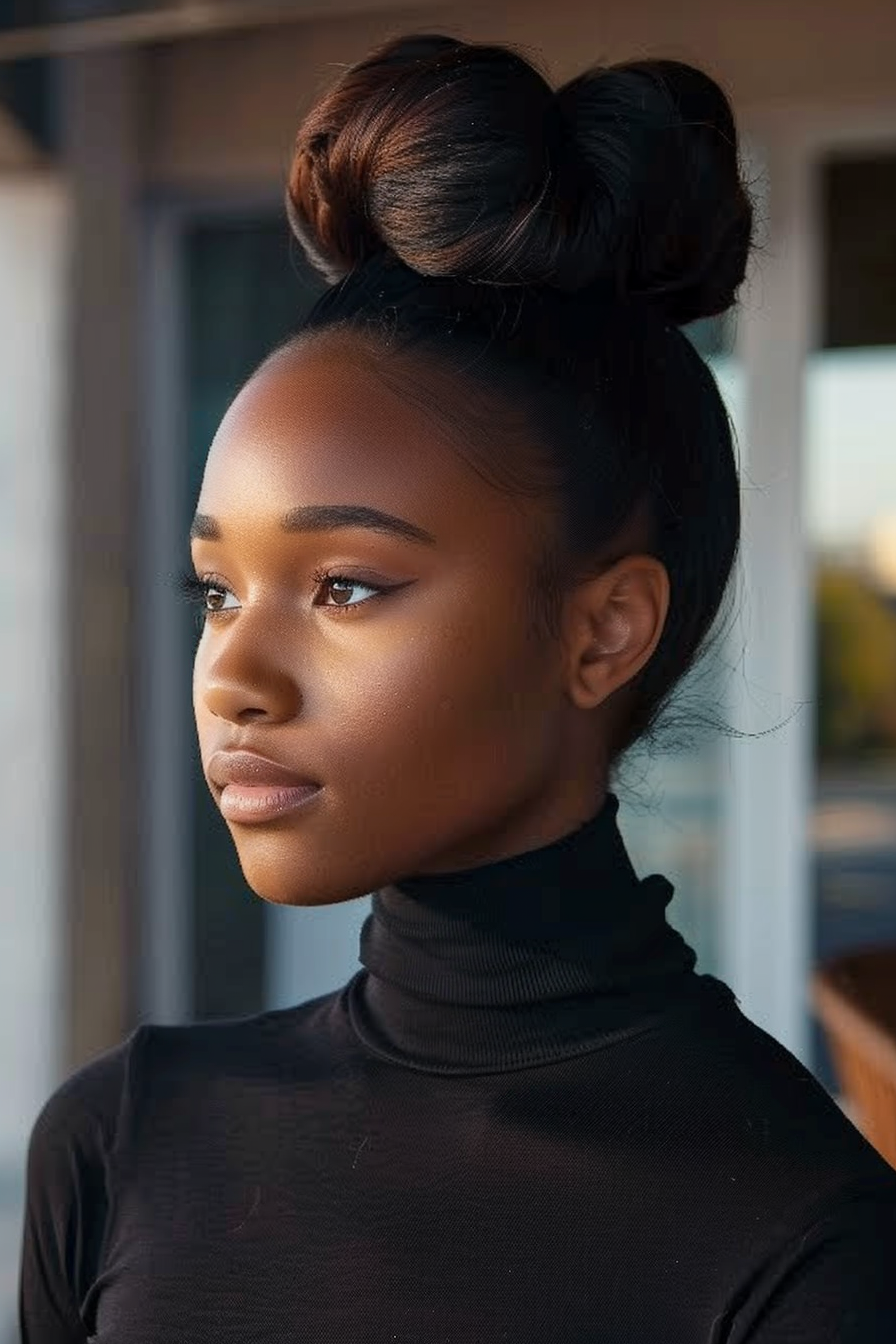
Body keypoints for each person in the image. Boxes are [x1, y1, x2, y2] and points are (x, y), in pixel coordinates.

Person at [18, 31, 896, 1344]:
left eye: (347, 587)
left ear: (604, 633)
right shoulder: (120, 1140)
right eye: (218, 589)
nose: (235, 678)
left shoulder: (800, 1235)